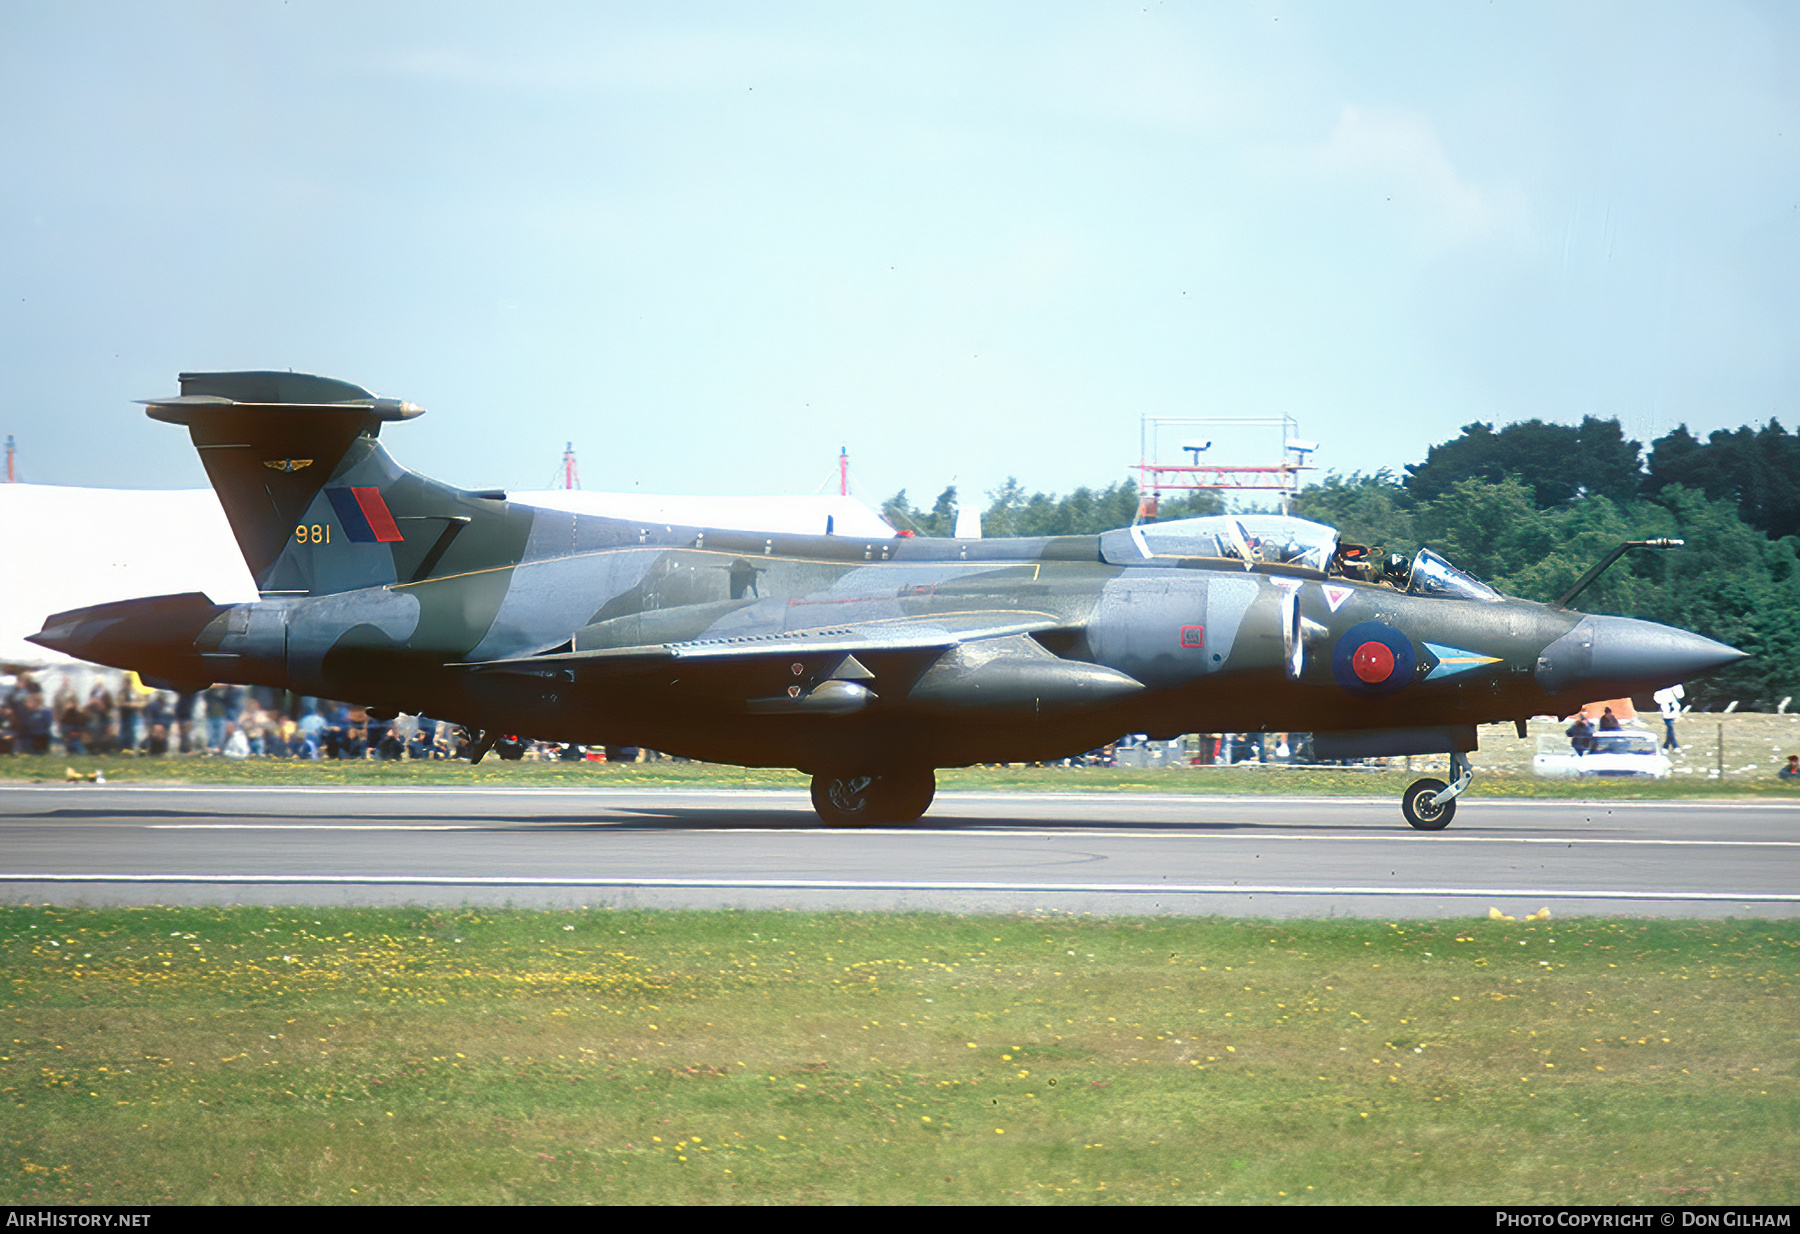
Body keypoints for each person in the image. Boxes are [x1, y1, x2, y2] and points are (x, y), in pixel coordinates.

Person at [1654, 684, 1684, 750]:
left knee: (1670, 727)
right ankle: (1674, 746)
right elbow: (1657, 699)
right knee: (1670, 726)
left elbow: (1681, 695)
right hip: (1666, 708)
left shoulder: (1677, 686)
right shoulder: (1661, 687)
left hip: (1674, 707)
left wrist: (1674, 690)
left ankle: (1666, 745)